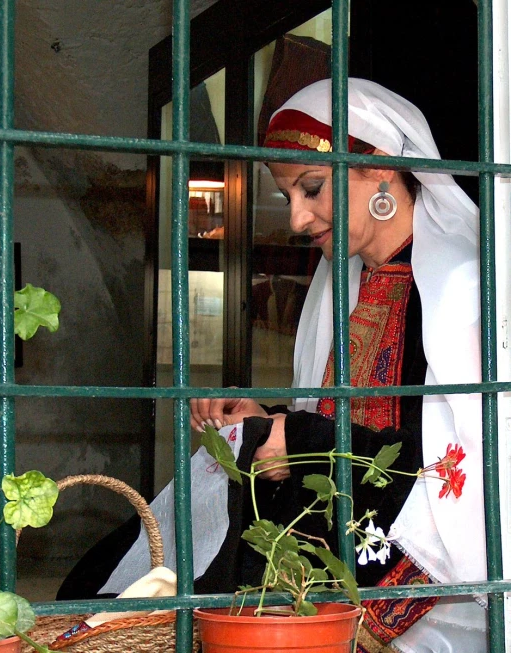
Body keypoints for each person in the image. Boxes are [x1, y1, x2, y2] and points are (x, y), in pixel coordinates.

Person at [189, 79, 487, 653]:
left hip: (434, 599)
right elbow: (335, 424)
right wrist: (266, 425)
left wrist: (298, 437)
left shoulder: (462, 289)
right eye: (288, 197)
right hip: (338, 566)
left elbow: (463, 471)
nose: (298, 219)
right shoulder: (346, 288)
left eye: (313, 189)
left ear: (378, 169)